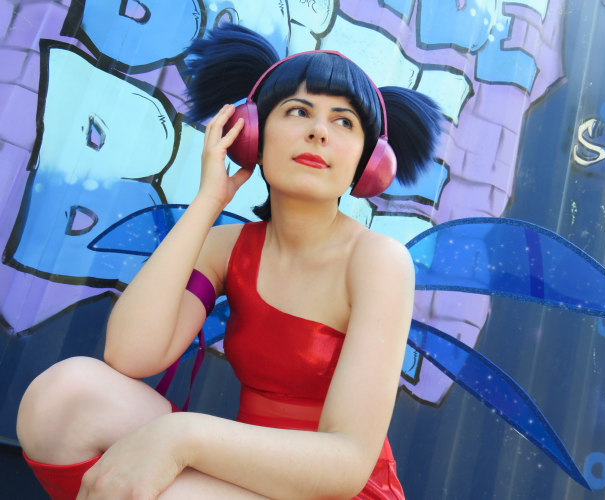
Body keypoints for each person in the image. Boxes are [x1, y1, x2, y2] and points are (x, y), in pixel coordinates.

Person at [16, 24, 444, 500]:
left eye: (344, 122)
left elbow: (345, 464)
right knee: (62, 397)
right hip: (237, 475)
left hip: (335, 489)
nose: (318, 131)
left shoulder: (379, 261)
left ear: (369, 162)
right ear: (251, 134)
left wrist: (182, 437)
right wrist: (208, 202)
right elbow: (131, 354)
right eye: (298, 111)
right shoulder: (227, 247)